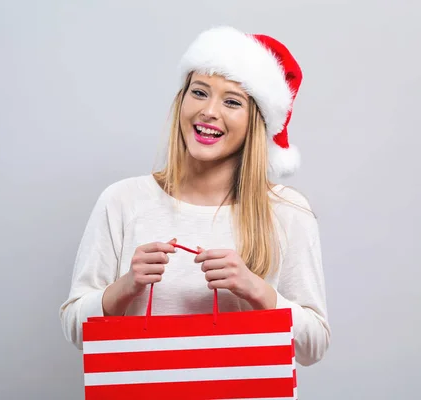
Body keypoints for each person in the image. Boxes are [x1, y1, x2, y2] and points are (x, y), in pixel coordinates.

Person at [59, 26, 330, 367]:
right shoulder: (123, 201)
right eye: (200, 92)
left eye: (232, 101)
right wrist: (127, 286)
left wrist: (255, 289)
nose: (209, 111)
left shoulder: (287, 212)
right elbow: (75, 329)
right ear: (182, 100)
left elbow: (313, 346)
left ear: (254, 123)